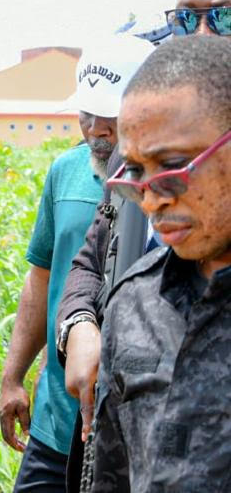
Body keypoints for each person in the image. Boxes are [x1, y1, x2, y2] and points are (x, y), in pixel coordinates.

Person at [57, 0, 231, 448]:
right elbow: (90, 262)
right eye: (186, 18)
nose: (201, 35)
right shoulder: (135, 149)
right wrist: (82, 325)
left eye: (223, 18)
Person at [0, 35, 150, 492]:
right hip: (55, 423)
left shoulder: (173, 190)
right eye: (87, 115)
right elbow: (41, 279)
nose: (97, 131)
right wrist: (12, 378)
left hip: (130, 434)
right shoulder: (65, 172)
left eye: (111, 118)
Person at [92, 34, 231, 490]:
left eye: (172, 167)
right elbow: (112, 472)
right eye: (134, 173)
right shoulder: (134, 301)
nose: (149, 202)